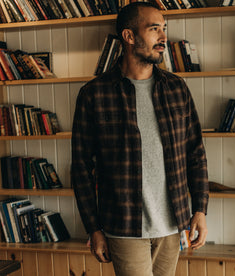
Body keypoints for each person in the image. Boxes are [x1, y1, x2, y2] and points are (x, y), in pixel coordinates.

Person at [71, 2, 209, 276]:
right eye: (154, 29)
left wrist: (200, 210)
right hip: (123, 226)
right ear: (129, 36)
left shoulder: (176, 89)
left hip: (172, 224)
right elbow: (81, 168)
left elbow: (195, 153)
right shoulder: (94, 94)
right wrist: (94, 229)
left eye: (164, 28)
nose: (163, 37)